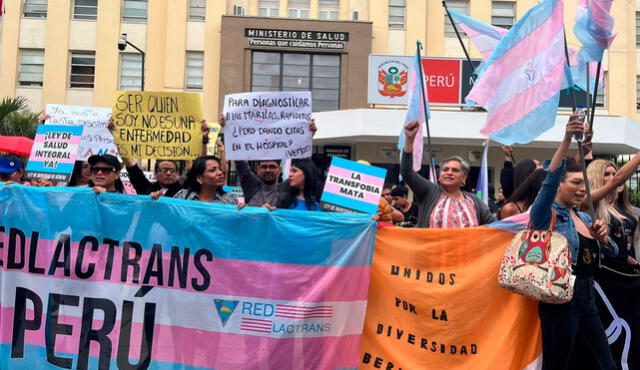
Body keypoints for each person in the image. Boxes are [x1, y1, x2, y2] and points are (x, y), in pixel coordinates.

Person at [530, 116, 618, 370]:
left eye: (585, 183)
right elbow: (548, 180)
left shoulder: (585, 216)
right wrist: (567, 138)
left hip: (588, 298)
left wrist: (603, 237)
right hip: (559, 302)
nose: (582, 189)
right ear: (560, 184)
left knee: (606, 365)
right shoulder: (546, 214)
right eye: (575, 182)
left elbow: (610, 253)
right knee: (557, 365)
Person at [400, 120, 495, 228]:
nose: (449, 173)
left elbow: (494, 225)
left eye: (455, 170)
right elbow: (407, 172)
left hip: (466, 245)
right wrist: (409, 139)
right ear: (439, 176)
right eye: (445, 169)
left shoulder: (475, 201)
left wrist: (515, 224)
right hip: (432, 245)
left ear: (464, 177)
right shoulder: (429, 192)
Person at [219, 114, 316, 207]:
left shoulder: (285, 189)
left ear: (279, 170)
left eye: (272, 167)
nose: (268, 170)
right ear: (257, 169)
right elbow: (239, 159)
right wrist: (228, 128)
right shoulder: (251, 185)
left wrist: (307, 135)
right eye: (264, 167)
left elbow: (302, 163)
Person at [587, 159, 640, 273]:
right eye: (606, 174)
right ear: (596, 177)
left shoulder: (620, 207)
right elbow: (616, 180)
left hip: (628, 271)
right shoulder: (590, 203)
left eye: (614, 174)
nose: (612, 177)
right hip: (607, 273)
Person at [173, 156, 239, 204]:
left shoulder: (231, 199)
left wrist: (243, 210)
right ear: (199, 178)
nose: (220, 173)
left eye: (220, 169)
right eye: (212, 170)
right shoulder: (182, 196)